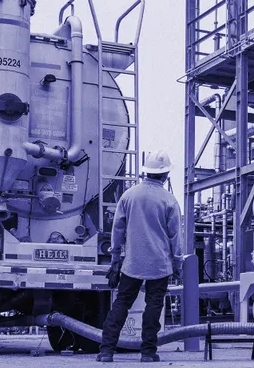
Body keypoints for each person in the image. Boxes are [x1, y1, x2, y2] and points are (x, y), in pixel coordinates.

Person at [97, 149, 182, 363]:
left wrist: (116, 259)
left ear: (146, 172)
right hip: (160, 264)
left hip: (132, 262)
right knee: (153, 306)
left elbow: (117, 229)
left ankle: (106, 351)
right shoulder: (169, 200)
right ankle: (148, 352)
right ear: (165, 175)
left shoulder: (129, 195)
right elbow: (175, 236)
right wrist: (178, 262)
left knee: (122, 303)